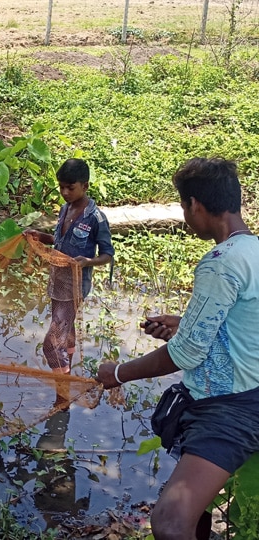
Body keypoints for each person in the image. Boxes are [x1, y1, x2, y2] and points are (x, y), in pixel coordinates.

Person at [97, 157, 259, 540]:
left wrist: (117, 373)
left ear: (196, 206)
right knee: (195, 513)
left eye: (184, 207)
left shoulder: (220, 263)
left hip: (229, 409)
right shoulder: (253, 252)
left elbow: (185, 355)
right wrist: (185, 324)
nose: (186, 217)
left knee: (170, 522)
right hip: (247, 394)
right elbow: (243, 327)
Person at [24, 158, 114, 373]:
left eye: (70, 188)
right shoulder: (65, 209)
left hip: (74, 286)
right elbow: (60, 241)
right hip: (58, 280)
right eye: (61, 187)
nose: (64, 192)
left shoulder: (95, 218)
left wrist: (89, 262)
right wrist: (41, 237)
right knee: (66, 331)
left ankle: (62, 391)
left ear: (85, 186)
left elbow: (108, 254)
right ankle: (68, 372)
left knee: (51, 344)